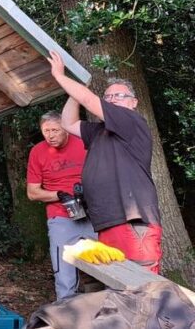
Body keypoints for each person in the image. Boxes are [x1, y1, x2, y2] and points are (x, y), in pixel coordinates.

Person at [47, 51, 162, 273]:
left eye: (118, 96)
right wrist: (75, 94)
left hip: (133, 222)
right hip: (107, 222)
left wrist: (61, 77)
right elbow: (69, 123)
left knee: (143, 293)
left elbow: (90, 100)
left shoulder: (131, 121)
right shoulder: (99, 131)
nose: (111, 101)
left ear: (133, 103)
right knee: (118, 291)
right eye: (108, 97)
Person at [26, 111, 96, 299]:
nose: (50, 135)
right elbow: (32, 193)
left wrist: (87, 193)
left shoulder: (83, 143)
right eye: (46, 131)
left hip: (94, 212)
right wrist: (58, 195)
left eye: (55, 130)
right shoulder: (38, 151)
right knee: (64, 278)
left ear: (65, 128)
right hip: (61, 216)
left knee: (111, 266)